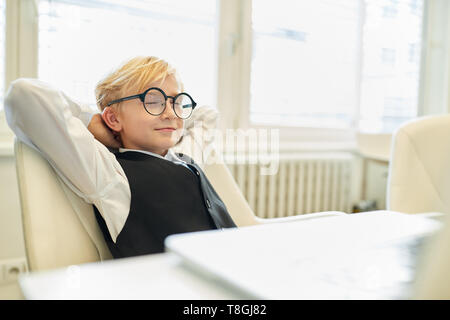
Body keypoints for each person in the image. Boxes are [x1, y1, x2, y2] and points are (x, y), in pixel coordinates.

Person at [4, 56, 236, 259]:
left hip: (233, 266)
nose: (169, 113)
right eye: (152, 101)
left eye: (175, 101)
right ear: (113, 119)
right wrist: (94, 121)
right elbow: (24, 94)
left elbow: (207, 116)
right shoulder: (112, 176)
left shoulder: (185, 155)